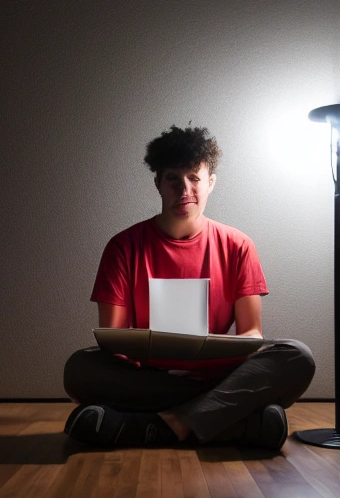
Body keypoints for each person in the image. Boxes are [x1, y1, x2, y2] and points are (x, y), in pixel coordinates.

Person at [63, 125, 315, 451]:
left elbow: (251, 333)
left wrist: (211, 361)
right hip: (149, 377)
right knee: (80, 369)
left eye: (194, 178)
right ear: (158, 184)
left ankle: (163, 425)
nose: (184, 189)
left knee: (297, 356)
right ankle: (233, 421)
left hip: (219, 376)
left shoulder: (239, 246)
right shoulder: (123, 247)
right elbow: (114, 338)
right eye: (172, 179)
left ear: (210, 182)